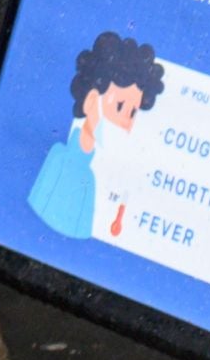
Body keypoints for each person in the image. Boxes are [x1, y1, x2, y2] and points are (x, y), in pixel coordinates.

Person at [27, 32, 160, 240]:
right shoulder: (58, 158)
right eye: (120, 106)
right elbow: (33, 218)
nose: (126, 122)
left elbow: (81, 239)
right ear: (90, 101)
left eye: (133, 113)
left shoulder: (91, 179)